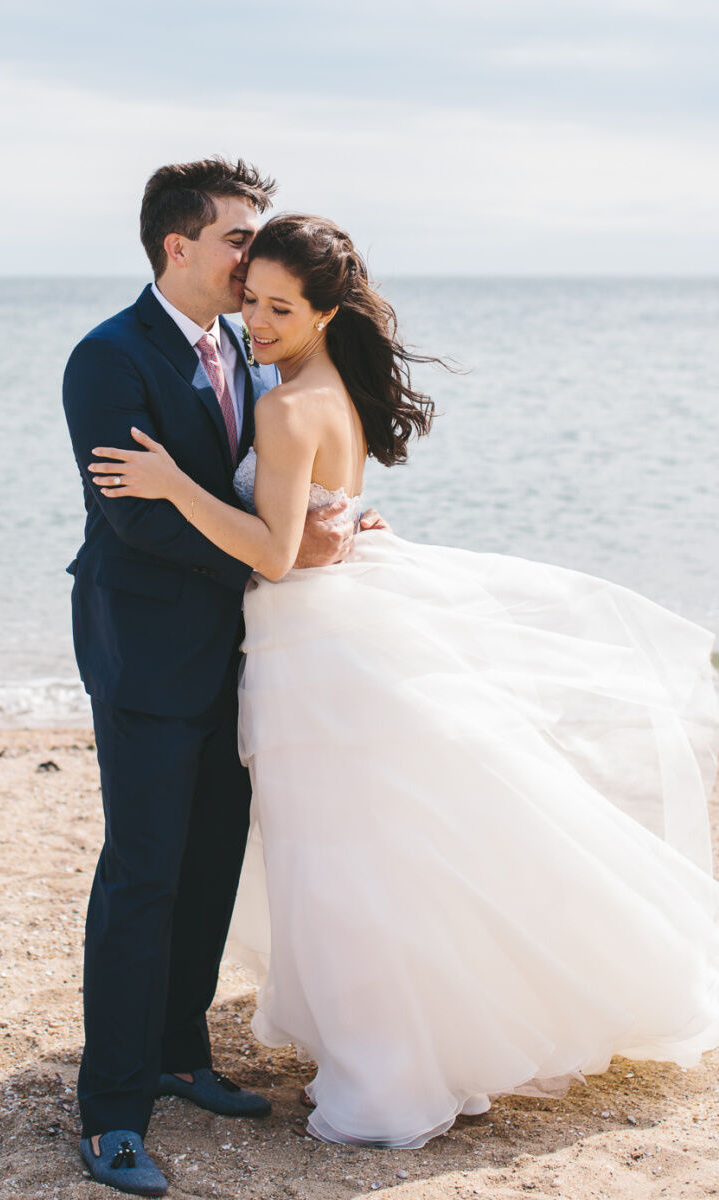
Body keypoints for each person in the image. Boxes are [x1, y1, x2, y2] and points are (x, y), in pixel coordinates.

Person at [89, 212, 719, 1151]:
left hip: (309, 651)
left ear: (326, 310)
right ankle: (417, 1041)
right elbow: (308, 522)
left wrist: (176, 484)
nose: (254, 323)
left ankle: (389, 1068)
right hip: (333, 634)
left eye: (277, 308)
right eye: (251, 300)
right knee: (376, 851)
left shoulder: (283, 402)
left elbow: (269, 553)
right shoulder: (321, 382)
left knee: (340, 864)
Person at [62, 164, 374, 1197]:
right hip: (145, 647)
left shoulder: (247, 343)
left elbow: (282, 478)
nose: (254, 252)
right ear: (178, 248)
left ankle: (179, 1055)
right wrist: (279, 551)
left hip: (245, 652)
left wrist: (322, 527)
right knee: (144, 870)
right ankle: (111, 1113)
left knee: (207, 862)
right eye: (239, 236)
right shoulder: (106, 357)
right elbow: (134, 516)